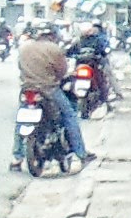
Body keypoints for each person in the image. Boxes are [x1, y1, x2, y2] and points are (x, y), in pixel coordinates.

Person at [14, 20, 85, 164]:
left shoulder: (24, 47)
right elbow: (62, 71)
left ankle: (17, 157)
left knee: (21, 121)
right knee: (69, 115)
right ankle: (81, 152)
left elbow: (20, 66)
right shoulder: (54, 49)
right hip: (49, 89)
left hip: (27, 89)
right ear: (52, 34)